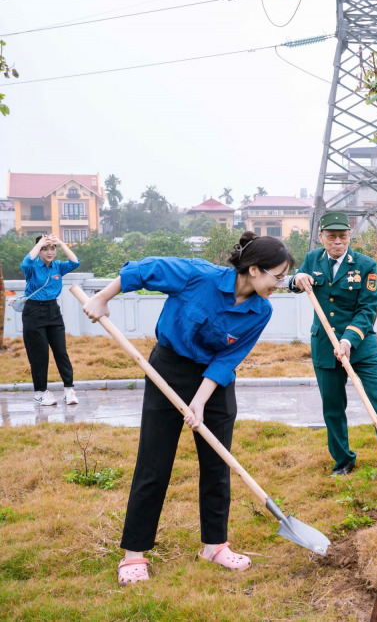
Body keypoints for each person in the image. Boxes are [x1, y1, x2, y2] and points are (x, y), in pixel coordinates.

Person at [82, 232, 293, 586]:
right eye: (278, 276)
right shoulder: (199, 276)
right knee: (154, 461)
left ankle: (215, 545)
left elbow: (229, 356)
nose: (281, 284)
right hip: (169, 368)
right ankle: (134, 553)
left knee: (217, 462)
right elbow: (146, 269)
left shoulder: (261, 310)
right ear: (254, 270)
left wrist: (200, 399)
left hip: (215, 382)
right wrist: (103, 297)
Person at [289, 211, 377, 477]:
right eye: (332, 237)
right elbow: (293, 283)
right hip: (325, 347)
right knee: (333, 406)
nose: (338, 242)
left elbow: (368, 308)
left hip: (361, 345)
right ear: (321, 237)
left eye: (343, 236)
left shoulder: (365, 265)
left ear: (350, 236)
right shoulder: (312, 259)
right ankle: (343, 460)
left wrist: (348, 339)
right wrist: (296, 278)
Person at [21, 234, 80, 406]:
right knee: (39, 354)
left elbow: (75, 262)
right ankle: (40, 392)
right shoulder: (32, 267)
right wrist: (40, 243)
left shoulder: (58, 267)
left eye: (52, 248)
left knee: (61, 351)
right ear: (39, 250)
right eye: (45, 249)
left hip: (53, 310)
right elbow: (25, 262)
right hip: (33, 311)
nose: (49, 252)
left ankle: (69, 390)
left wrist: (61, 243)